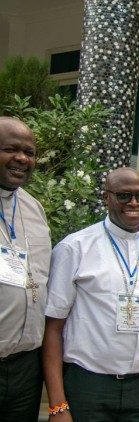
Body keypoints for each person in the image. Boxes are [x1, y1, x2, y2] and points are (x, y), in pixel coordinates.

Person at [43, 168, 139, 422]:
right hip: (89, 386)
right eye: (124, 195)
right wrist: (58, 405)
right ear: (106, 198)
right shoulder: (75, 247)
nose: (134, 203)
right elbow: (53, 329)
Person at [0, 117, 51, 421]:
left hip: (25, 367)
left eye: (29, 152)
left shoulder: (34, 208)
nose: (22, 158)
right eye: (10, 149)